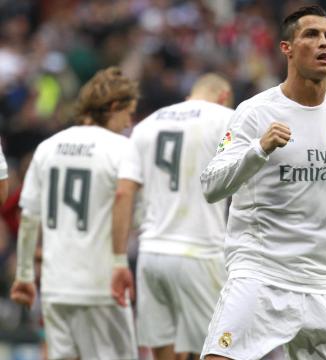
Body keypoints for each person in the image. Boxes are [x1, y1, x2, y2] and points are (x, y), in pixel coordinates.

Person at [199, 5, 326, 360]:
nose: (324, 43)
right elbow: (211, 186)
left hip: (320, 283)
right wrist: (258, 150)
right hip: (261, 273)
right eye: (311, 35)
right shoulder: (256, 111)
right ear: (287, 48)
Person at [10, 66, 139, 360]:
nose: (128, 122)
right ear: (113, 106)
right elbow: (127, 201)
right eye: (127, 112)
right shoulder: (122, 149)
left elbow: (29, 216)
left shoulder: (46, 148)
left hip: (56, 287)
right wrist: (120, 262)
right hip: (102, 285)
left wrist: (25, 275)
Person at [111, 73, 235, 360]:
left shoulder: (147, 124)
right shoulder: (227, 118)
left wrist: (118, 259)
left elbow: (124, 192)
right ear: (223, 96)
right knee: (219, 351)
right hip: (201, 252)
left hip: (152, 253)